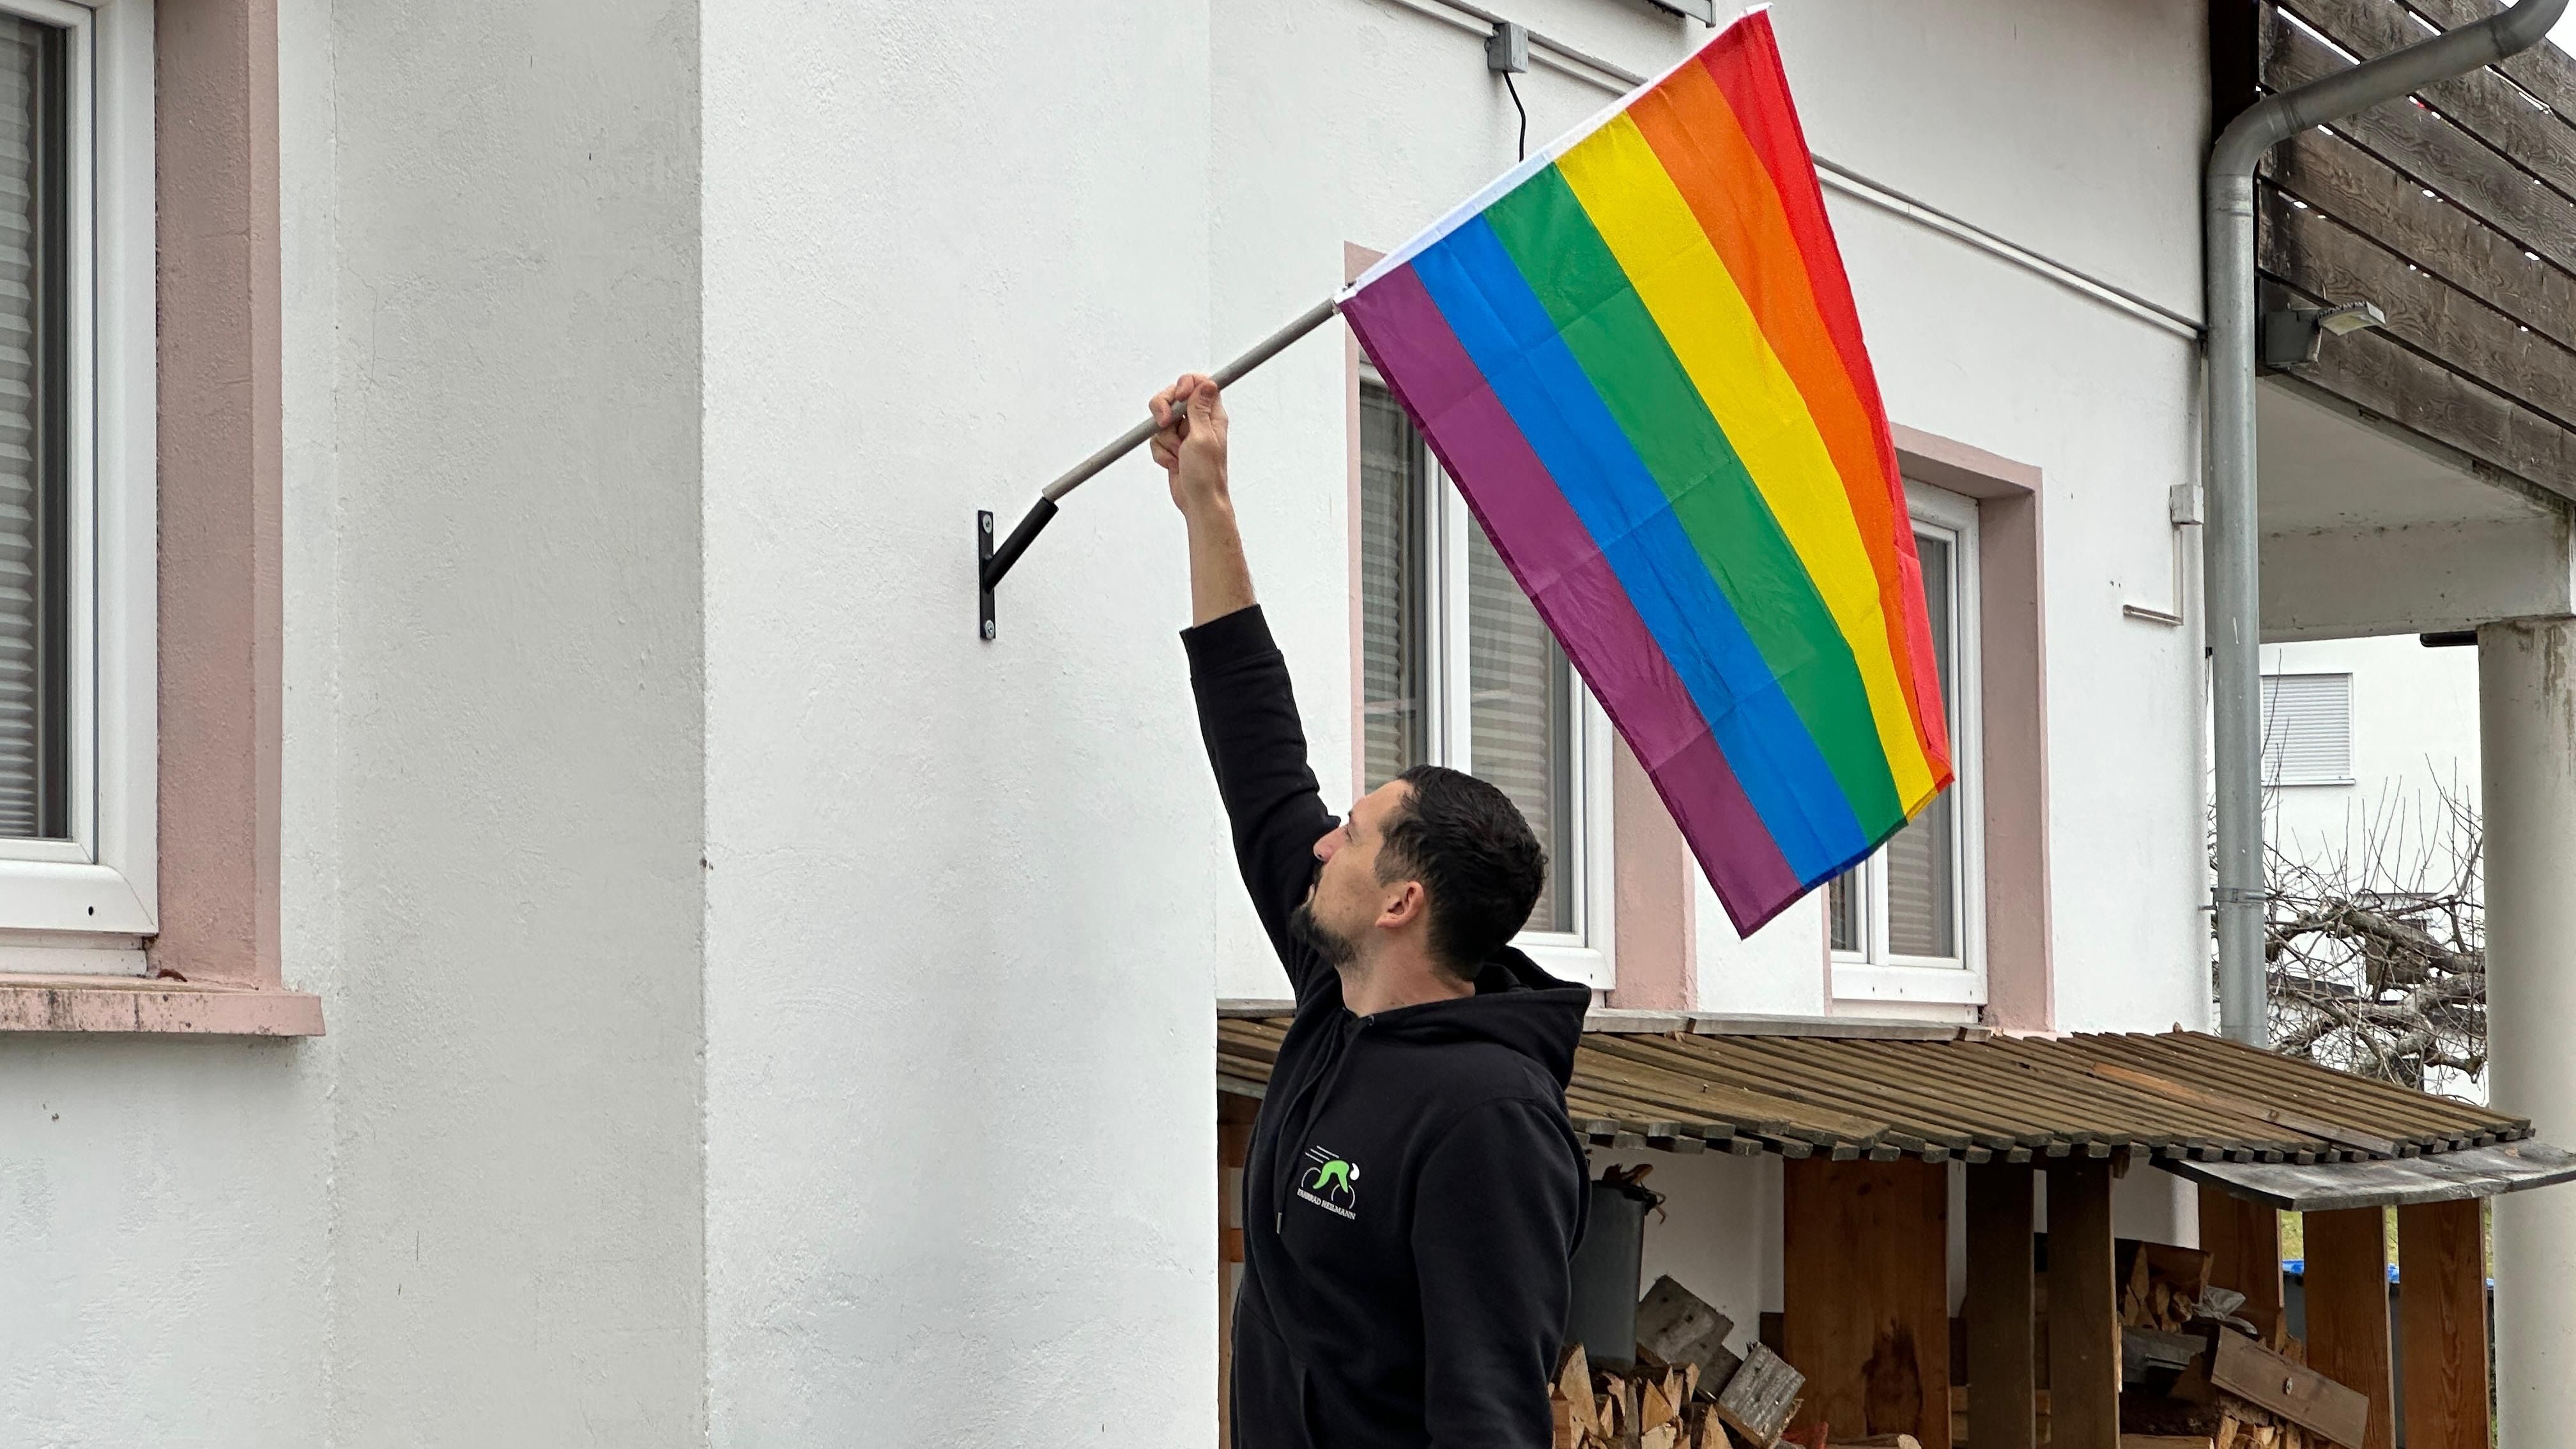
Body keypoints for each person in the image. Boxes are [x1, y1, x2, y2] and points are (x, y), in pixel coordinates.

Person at [1154, 372, 1591, 1448]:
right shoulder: (1335, 997)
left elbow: (1488, 1418)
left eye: (1350, 832)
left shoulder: (1491, 1122)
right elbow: (1259, 755)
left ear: (1402, 900)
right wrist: (1208, 504)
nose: (1321, 841)